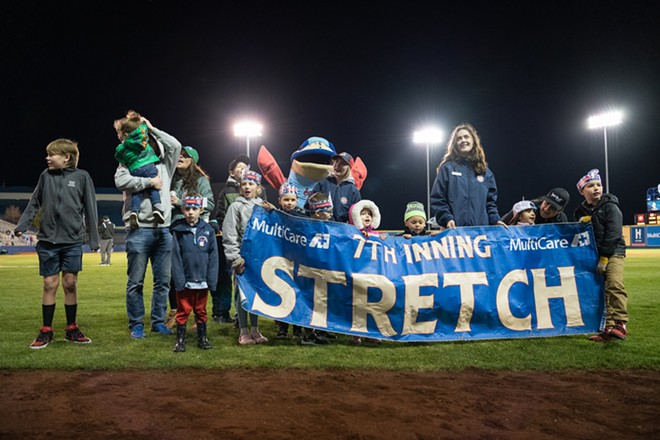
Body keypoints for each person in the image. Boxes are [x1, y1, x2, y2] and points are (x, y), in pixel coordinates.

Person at [14, 138, 99, 349]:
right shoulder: (45, 176)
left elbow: (90, 208)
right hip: (48, 240)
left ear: (66, 157)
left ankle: (72, 329)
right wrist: (22, 225)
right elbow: (34, 202)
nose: (48, 158)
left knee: (70, 284)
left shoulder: (82, 177)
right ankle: (46, 331)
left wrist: (94, 239)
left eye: (52, 154)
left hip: (72, 241)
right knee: (49, 284)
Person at [114, 112, 181, 339]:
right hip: (138, 229)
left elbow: (175, 145)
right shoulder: (127, 162)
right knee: (136, 282)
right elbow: (120, 181)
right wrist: (149, 182)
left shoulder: (164, 164)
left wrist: (151, 127)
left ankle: (158, 322)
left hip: (163, 229)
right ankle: (136, 324)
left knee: (163, 282)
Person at [574, 169, 628, 342]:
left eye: (598, 184)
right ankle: (608, 328)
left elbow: (613, 233)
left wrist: (604, 257)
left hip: (613, 252)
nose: (596, 188)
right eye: (590, 186)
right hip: (594, 255)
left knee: (614, 284)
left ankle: (620, 323)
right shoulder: (581, 211)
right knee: (602, 292)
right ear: (582, 191)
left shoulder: (610, 206)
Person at [165, 146, 215, 328]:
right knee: (173, 273)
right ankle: (175, 311)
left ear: (192, 160)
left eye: (184, 156)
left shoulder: (200, 180)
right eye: (179, 154)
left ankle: (196, 313)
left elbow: (209, 203)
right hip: (173, 228)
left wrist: (180, 202)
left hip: (193, 231)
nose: (180, 158)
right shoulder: (170, 178)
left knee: (194, 272)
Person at [222, 168, 269, 345]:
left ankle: (255, 330)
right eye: (244, 184)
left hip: (259, 259)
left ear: (258, 187)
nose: (247, 187)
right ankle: (243, 331)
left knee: (256, 294)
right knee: (242, 294)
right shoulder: (235, 207)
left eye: (251, 184)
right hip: (242, 259)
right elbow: (229, 234)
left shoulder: (263, 207)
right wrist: (235, 258)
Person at [430, 123, 505, 228]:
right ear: (455, 144)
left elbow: (490, 203)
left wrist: (495, 220)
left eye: (466, 137)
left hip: (480, 232)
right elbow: (437, 199)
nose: (463, 140)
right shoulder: (447, 169)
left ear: (473, 141)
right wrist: (447, 219)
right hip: (454, 230)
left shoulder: (486, 173)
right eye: (459, 138)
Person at [171, 195, 219, 352]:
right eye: (187, 209)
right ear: (182, 210)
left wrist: (211, 279)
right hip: (185, 280)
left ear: (201, 210)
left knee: (201, 310)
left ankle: (202, 338)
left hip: (202, 280)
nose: (191, 212)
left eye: (194, 209)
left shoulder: (208, 230)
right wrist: (179, 280)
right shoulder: (177, 231)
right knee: (183, 310)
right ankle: (180, 340)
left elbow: (214, 257)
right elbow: (175, 258)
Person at [209, 154, 249, 324]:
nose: (243, 169)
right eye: (240, 167)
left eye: (246, 167)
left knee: (242, 278)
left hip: (247, 243)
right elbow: (219, 216)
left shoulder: (255, 192)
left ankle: (241, 313)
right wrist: (230, 234)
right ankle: (221, 312)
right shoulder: (226, 192)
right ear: (232, 173)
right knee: (224, 277)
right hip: (229, 242)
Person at [264, 182, 306, 339]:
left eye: (293, 200)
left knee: (298, 295)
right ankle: (282, 328)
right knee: (282, 293)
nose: (289, 203)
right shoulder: (274, 215)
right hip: (280, 260)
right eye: (286, 200)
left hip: (297, 262)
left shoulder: (301, 216)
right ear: (280, 200)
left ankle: (297, 329)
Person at [114, 110, 165, 228]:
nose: (118, 135)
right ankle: (157, 207)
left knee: (137, 190)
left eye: (119, 133)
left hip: (135, 169)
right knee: (154, 188)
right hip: (149, 166)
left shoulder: (121, 148)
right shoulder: (143, 138)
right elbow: (144, 128)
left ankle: (134, 211)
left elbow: (118, 156)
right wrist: (142, 122)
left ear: (125, 134)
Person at [298, 192, 336, 346]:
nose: (331, 214)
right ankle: (307, 336)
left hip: (322, 272)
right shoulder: (308, 227)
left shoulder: (327, 226)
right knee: (308, 302)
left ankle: (317, 331)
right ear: (318, 213)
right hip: (309, 272)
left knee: (320, 302)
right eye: (328, 211)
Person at [312, 152, 361, 222]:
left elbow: (357, 217)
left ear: (349, 168)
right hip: (321, 227)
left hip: (341, 230)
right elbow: (309, 206)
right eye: (336, 161)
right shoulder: (323, 183)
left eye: (342, 163)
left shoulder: (353, 191)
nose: (337, 165)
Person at [500, 188, 570, 225]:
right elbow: (500, 224)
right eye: (547, 203)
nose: (546, 209)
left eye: (553, 208)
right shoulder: (526, 207)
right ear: (543, 199)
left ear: (560, 211)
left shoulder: (562, 220)